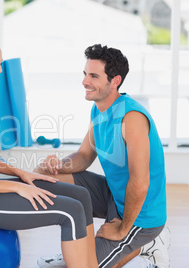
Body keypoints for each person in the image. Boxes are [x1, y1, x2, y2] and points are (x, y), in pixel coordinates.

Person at [0, 32, 98, 268]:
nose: (1, 69)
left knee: (81, 195)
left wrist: (21, 173)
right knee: (70, 212)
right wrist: (15, 186)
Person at [34, 44, 170, 268]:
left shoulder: (132, 118)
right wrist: (58, 165)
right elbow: (84, 156)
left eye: (94, 76)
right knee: (43, 176)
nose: (85, 81)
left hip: (140, 216)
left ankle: (147, 243)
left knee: (85, 266)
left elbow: (140, 182)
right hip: (113, 196)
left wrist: (122, 229)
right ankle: (77, 250)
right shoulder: (98, 109)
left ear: (115, 81)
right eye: (85, 74)